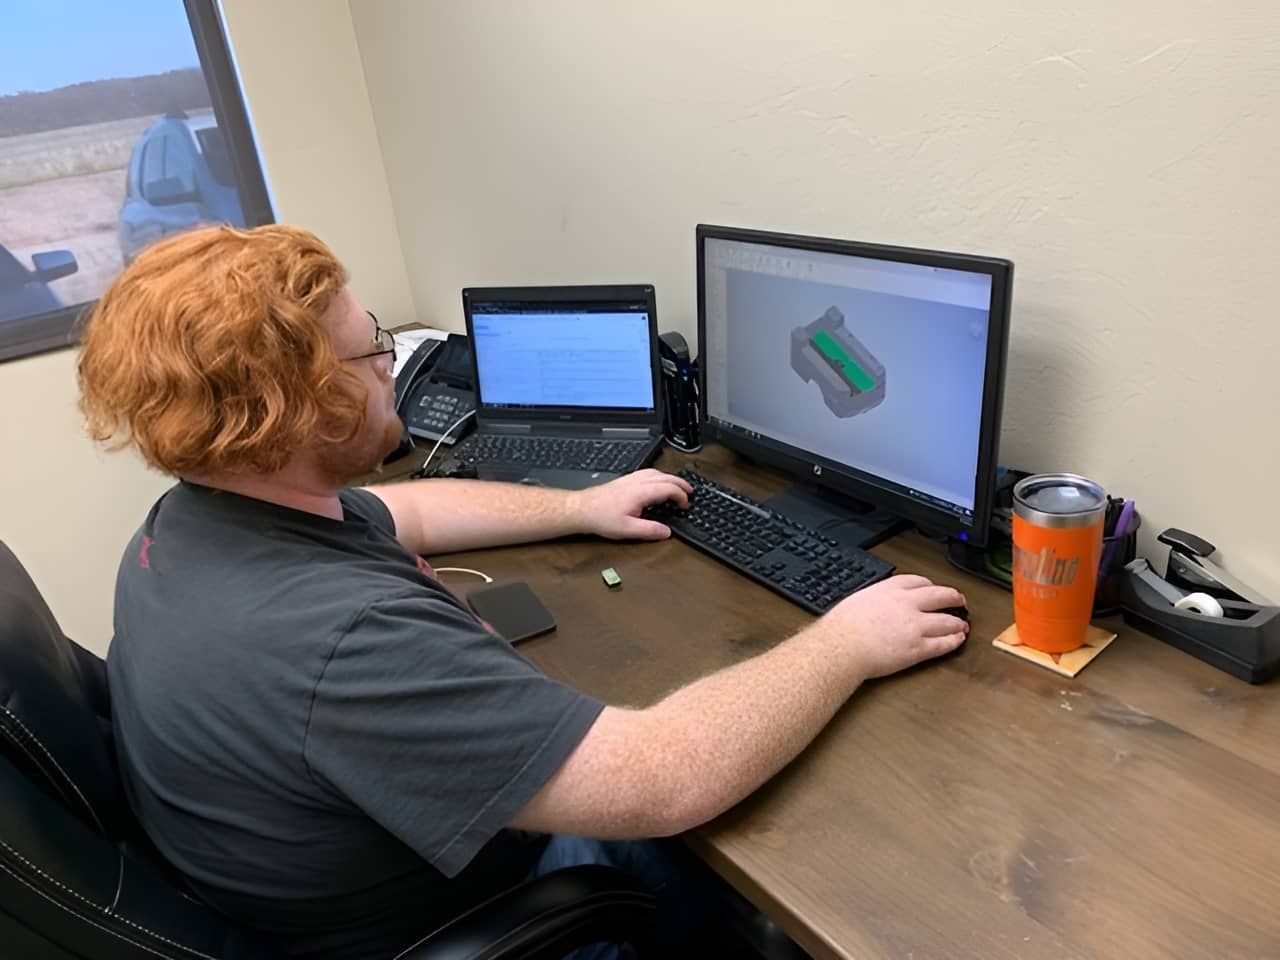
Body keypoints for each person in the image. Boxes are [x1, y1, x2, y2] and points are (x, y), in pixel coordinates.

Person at [78, 224, 968, 959]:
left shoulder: (190, 522)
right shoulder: (341, 638)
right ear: (301, 406)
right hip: (464, 923)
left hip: (315, 887)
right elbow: (663, 777)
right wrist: (849, 641)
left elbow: (405, 512)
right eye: (371, 350)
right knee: (788, 866)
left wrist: (581, 505)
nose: (393, 362)